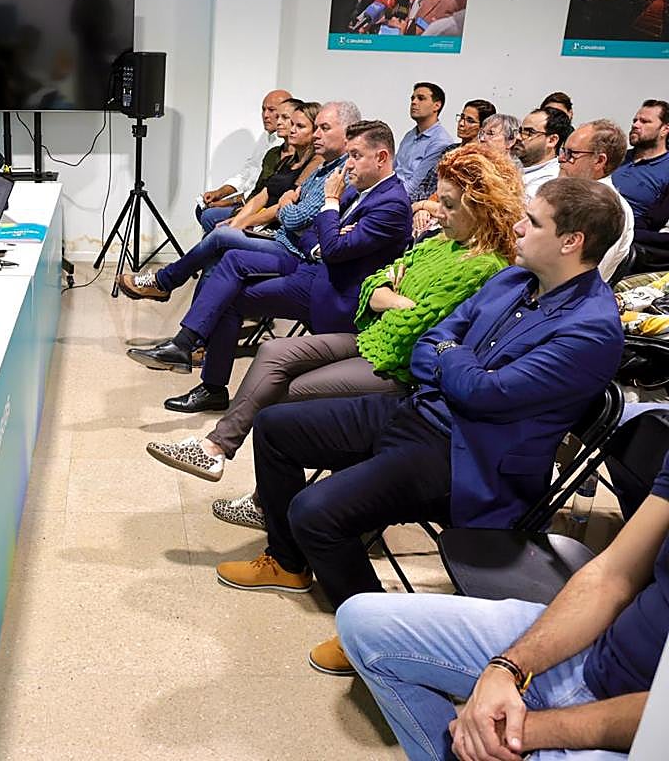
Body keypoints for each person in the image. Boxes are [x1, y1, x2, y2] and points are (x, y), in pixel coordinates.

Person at [213, 177, 625, 677]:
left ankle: (375, 633)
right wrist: (457, 361)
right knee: (276, 426)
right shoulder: (515, 280)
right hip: (422, 411)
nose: (517, 227)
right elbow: (431, 342)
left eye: (533, 222)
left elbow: (484, 394)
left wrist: (453, 359)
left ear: (571, 241)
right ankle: (287, 562)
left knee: (315, 511)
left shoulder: (590, 328)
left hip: (469, 458)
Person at [148, 144, 521, 494]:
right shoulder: (442, 242)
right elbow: (374, 283)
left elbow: (416, 328)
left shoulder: (482, 266)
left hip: (398, 364)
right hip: (370, 336)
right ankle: (214, 447)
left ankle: (270, 499)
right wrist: (390, 297)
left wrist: (386, 298)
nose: (438, 212)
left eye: (450, 206)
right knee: (274, 351)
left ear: (482, 208)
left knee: (284, 395)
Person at [337, 447, 669, 760]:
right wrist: (507, 667)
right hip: (601, 654)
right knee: (363, 623)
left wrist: (523, 733)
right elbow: (612, 575)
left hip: (644, 731)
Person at [126, 119, 411, 414]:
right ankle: (205, 377)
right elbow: (312, 232)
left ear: (381, 157)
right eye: (349, 155)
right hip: (313, 275)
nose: (348, 164)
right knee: (229, 296)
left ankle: (185, 343)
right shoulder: (355, 190)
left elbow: (334, 247)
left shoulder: (391, 203)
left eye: (356, 156)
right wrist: (325, 242)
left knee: (227, 256)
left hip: (339, 296)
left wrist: (330, 208)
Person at [117, 101, 326, 302]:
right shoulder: (286, 159)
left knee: (218, 239)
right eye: (291, 123)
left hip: (279, 236)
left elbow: (282, 207)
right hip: (261, 224)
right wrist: (236, 222)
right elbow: (260, 195)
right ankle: (193, 317)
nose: (290, 128)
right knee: (215, 250)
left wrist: (241, 223)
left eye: (298, 125)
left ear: (314, 131)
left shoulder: (315, 164)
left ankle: (164, 282)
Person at [197, 89, 293, 232]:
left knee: (210, 216)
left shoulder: (286, 147)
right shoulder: (265, 138)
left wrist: (229, 202)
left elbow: (263, 192)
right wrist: (219, 193)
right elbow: (246, 173)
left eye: (272, 110)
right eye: (263, 109)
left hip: (258, 206)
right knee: (202, 209)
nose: (265, 115)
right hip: (248, 199)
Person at [557, 119, 635, 282]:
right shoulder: (567, 192)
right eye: (563, 151)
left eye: (571, 154)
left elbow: (580, 279)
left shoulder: (610, 211)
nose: (561, 158)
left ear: (599, 161)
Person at [411, 99, 498, 227]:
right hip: (422, 208)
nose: (461, 124)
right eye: (461, 117)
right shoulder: (450, 149)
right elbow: (426, 183)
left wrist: (424, 206)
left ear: (483, 128)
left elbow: (457, 199)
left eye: (470, 121)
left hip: (445, 216)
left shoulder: (478, 160)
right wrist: (416, 206)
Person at [611, 99, 669, 230]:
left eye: (645, 121)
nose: (635, 125)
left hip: (629, 232)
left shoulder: (666, 169)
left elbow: (654, 221)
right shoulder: (617, 157)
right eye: (635, 120)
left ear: (664, 130)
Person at [395, 82, 454, 200]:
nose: (414, 102)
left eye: (421, 98)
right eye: (413, 98)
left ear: (436, 106)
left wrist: (386, 196)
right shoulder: (410, 135)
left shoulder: (441, 142)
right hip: (392, 190)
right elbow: (393, 168)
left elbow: (414, 186)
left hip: (406, 199)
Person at [513, 107, 573, 201]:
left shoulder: (550, 181)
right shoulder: (515, 164)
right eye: (520, 131)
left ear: (552, 140)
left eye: (529, 132)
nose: (518, 137)